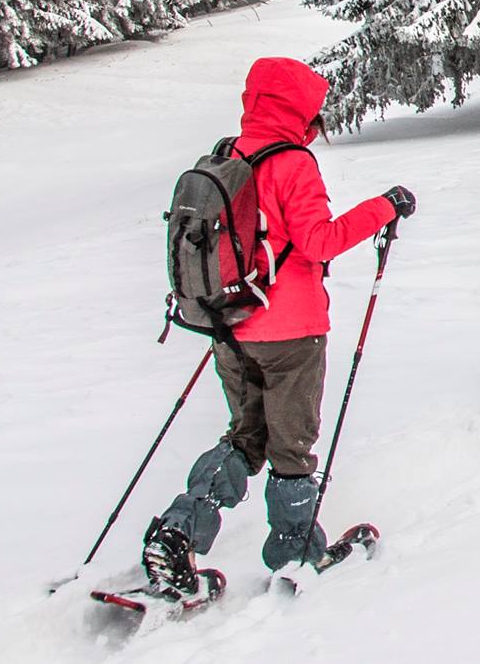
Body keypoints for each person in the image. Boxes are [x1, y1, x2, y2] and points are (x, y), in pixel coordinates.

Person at [141, 58, 415, 594]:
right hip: (291, 330)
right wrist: (384, 207)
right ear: (300, 109)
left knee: (245, 437)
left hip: (229, 324)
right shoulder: (293, 163)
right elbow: (319, 242)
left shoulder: (226, 154)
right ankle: (295, 555)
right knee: (291, 448)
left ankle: (178, 530)